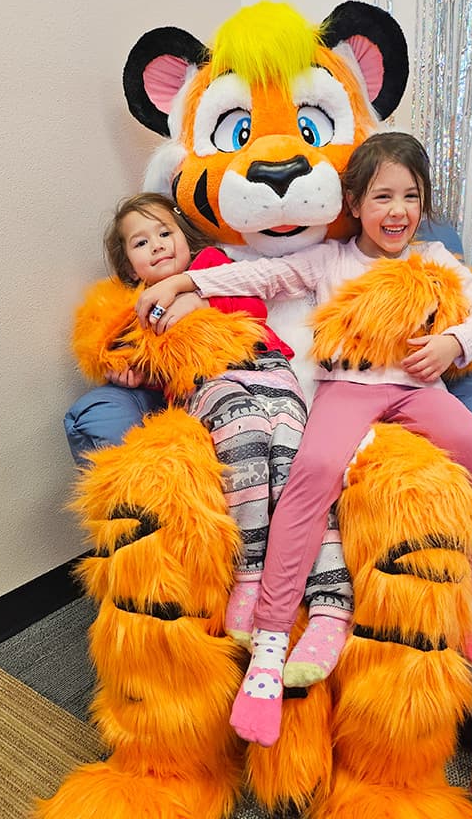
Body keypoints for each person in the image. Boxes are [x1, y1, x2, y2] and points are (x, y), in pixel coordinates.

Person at [135, 132, 472, 747]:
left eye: (411, 196)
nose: (398, 211)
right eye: (382, 196)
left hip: (418, 387)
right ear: (354, 204)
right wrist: (185, 285)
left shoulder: (435, 260)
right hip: (348, 388)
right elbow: (262, 275)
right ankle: (269, 645)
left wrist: (454, 343)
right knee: (311, 473)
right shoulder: (330, 259)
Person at [84, 192, 353, 683]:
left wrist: (195, 296)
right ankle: (252, 575)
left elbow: (249, 302)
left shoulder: (211, 265)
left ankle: (330, 598)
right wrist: (128, 371)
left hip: (268, 367)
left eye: (165, 233)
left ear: (183, 237)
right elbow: (136, 358)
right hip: (207, 384)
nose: (157, 245)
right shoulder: (136, 306)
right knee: (246, 434)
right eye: (141, 243)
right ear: (129, 264)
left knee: (296, 461)